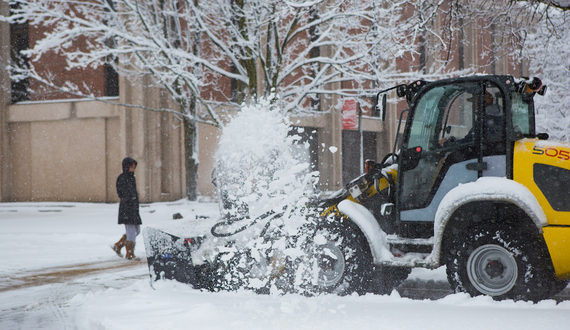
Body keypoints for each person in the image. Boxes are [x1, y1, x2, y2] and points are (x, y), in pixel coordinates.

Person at [111, 157, 142, 260]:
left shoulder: (132, 178)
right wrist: (129, 199)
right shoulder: (122, 178)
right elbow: (121, 193)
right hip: (127, 208)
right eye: (131, 167)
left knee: (137, 230)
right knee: (131, 230)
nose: (133, 169)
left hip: (133, 208)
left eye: (134, 167)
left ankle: (119, 245)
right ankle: (129, 253)